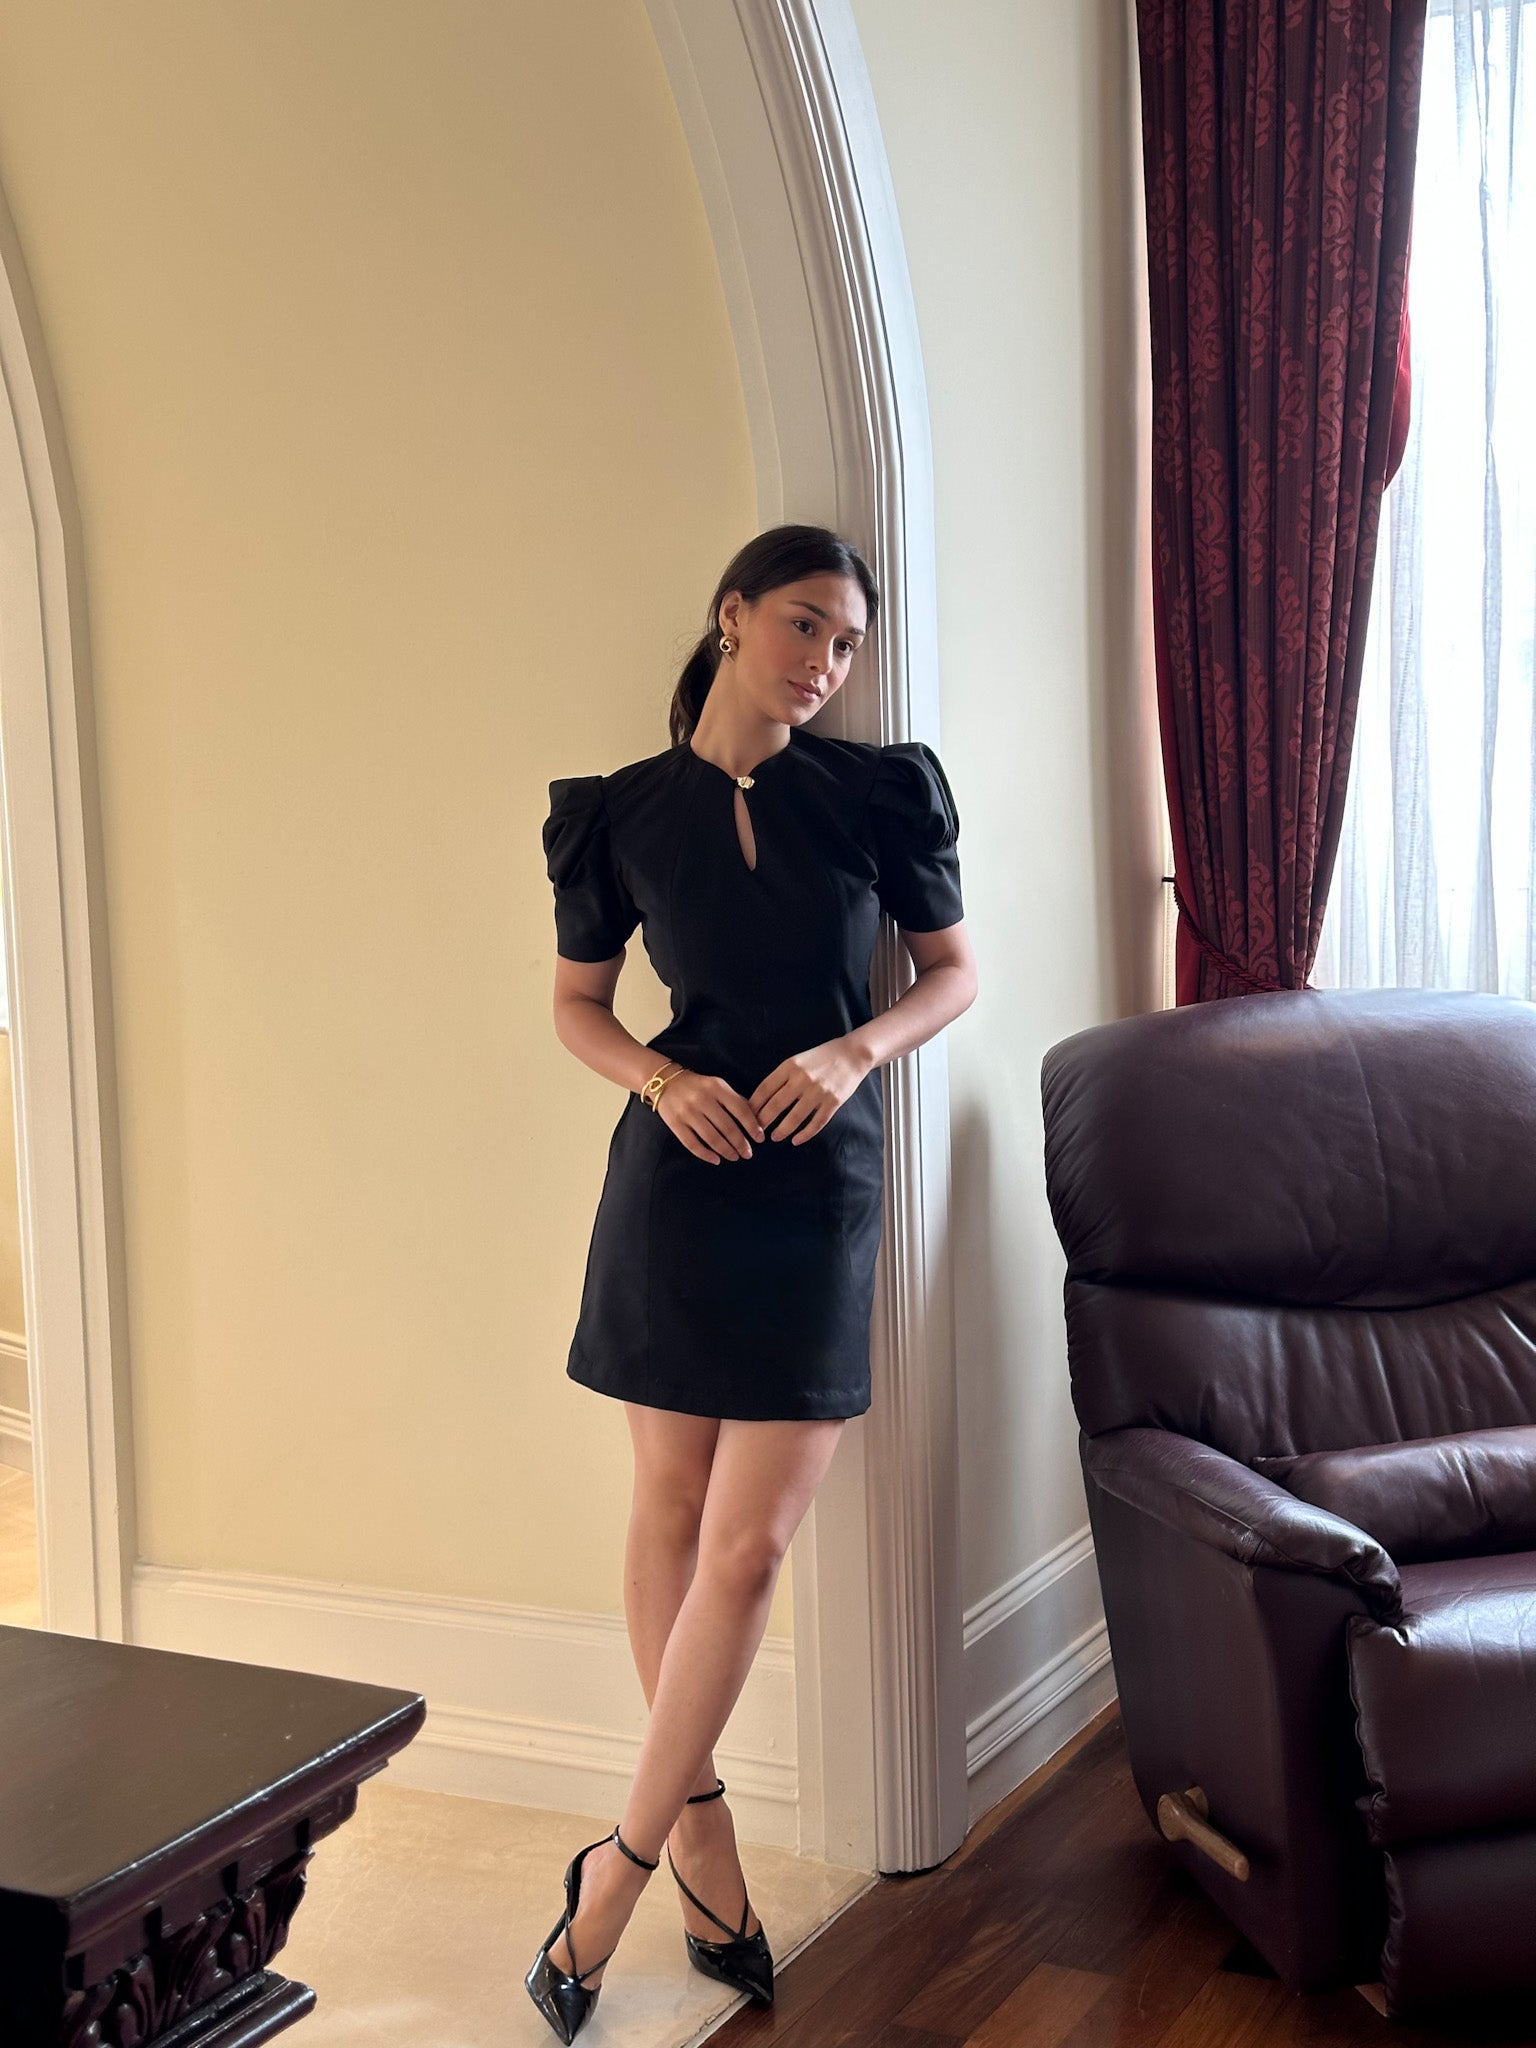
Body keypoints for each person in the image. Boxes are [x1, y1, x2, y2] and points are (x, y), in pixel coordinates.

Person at [525, 523, 977, 2043]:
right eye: (803, 626)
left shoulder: (873, 793)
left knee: (748, 1548)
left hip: (818, 1188)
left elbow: (953, 972)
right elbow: (578, 1007)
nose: (824, 664)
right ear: (731, 616)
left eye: (845, 644)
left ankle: (615, 1873)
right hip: (676, 1188)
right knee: (667, 1513)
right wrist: (660, 1082)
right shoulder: (619, 815)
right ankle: (709, 1854)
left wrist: (853, 1052)